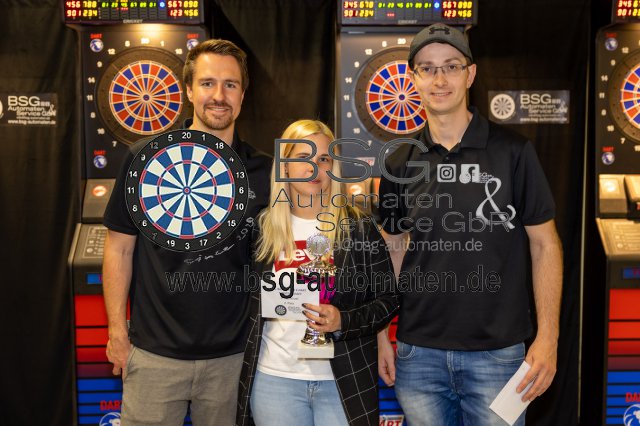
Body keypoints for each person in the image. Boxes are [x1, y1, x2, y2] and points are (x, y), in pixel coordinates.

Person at [376, 24, 563, 425]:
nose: (439, 79)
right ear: (413, 79)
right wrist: (380, 335)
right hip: (418, 355)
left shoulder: (513, 152)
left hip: (499, 356)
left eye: (451, 66)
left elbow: (545, 245)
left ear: (470, 74)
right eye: (427, 68)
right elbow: (392, 249)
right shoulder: (399, 161)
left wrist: (548, 338)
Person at [102, 39, 271, 425]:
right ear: (189, 91)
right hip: (154, 355)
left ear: (243, 94)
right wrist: (116, 332)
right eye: (208, 83)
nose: (219, 95)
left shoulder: (265, 171)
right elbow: (119, 249)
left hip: (233, 359)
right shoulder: (145, 158)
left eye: (230, 84)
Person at [236, 120, 399, 426]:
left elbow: (388, 299)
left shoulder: (358, 228)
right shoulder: (261, 228)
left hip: (342, 380)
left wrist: (343, 321)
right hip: (275, 380)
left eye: (323, 158)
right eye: (303, 157)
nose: (314, 167)